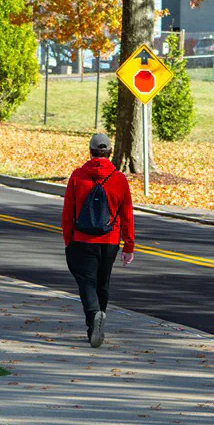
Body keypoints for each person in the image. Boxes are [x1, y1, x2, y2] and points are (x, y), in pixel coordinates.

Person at [60, 132, 135, 347]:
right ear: (110, 153)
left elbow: (68, 212)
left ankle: (94, 315)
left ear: (90, 152)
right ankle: (98, 318)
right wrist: (128, 245)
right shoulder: (119, 179)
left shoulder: (78, 176)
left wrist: (68, 238)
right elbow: (126, 214)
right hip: (110, 241)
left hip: (82, 239)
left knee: (86, 282)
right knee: (103, 282)